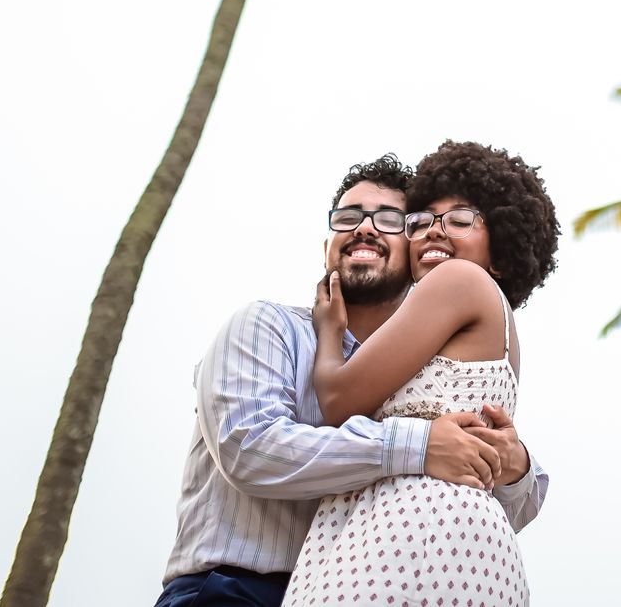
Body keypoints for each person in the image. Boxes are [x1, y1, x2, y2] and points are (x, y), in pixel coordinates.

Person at [155, 154, 548, 607]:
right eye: (348, 217)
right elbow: (249, 447)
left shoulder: (423, 362)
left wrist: (513, 462)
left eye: (390, 219)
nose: (364, 227)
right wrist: (420, 446)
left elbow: (513, 494)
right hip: (234, 589)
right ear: (327, 242)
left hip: (372, 578)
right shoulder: (267, 326)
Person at [283, 140, 561, 607]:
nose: (434, 231)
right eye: (421, 221)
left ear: (500, 251)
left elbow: (337, 402)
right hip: (464, 544)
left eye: (458, 220)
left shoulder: (459, 281)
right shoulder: (491, 320)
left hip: (415, 530)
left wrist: (330, 330)